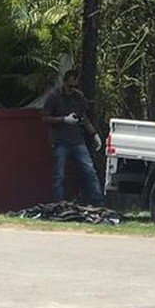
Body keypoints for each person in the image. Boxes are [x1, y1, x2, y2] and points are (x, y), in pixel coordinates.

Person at [42, 70, 104, 206]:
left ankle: (98, 203)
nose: (72, 90)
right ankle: (58, 205)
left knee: (89, 171)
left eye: (75, 86)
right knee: (59, 175)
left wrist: (94, 134)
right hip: (60, 141)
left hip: (77, 140)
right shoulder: (54, 96)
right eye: (70, 87)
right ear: (64, 83)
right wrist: (63, 120)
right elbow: (45, 118)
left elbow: (84, 118)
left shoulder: (78, 97)